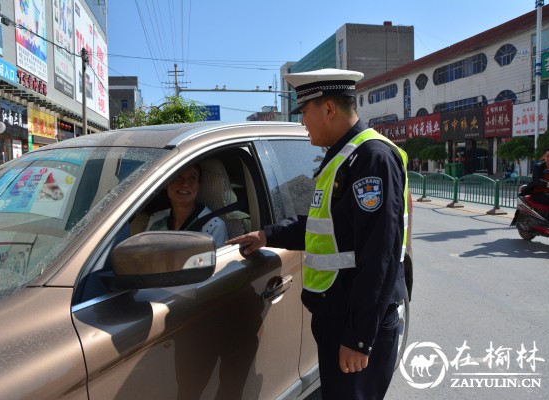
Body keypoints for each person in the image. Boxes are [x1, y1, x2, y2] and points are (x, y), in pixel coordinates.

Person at [226, 69, 409, 399]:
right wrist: (268, 235)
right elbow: (324, 226)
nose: (302, 122)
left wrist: (358, 338)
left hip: (354, 321)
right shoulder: (343, 156)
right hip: (337, 315)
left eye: (305, 111)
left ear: (328, 108)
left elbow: (379, 256)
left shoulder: (371, 159)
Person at [147, 164, 228, 247]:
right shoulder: (156, 219)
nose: (185, 184)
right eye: (178, 176)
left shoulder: (214, 226)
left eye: (192, 178)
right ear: (167, 184)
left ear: (198, 186)